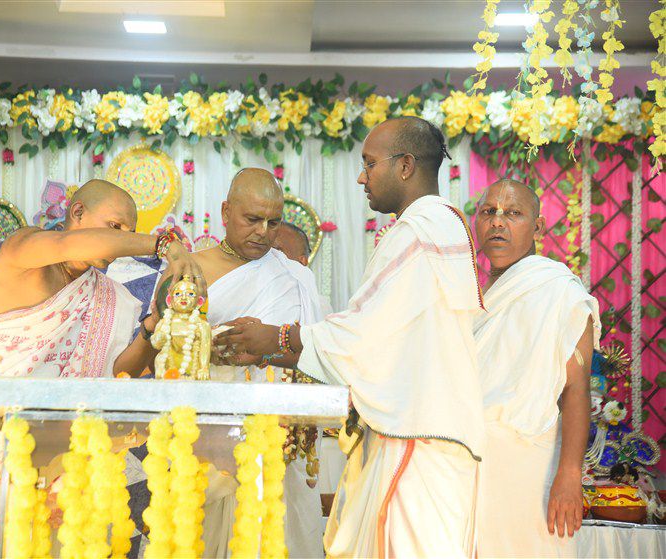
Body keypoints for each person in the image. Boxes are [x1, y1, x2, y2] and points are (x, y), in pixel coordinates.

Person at [215, 117, 486, 558]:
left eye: (369, 163)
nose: (361, 176)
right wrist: (272, 351)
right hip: (425, 435)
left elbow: (361, 338)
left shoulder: (417, 232)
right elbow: (386, 345)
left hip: (418, 438)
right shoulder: (441, 225)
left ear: (405, 166)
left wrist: (274, 339)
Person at [0, 179, 203, 558]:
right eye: (115, 228)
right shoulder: (23, 250)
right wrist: (163, 244)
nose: (121, 241)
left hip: (56, 463)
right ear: (77, 212)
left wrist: (151, 327)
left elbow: (113, 375)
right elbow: (67, 245)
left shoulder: (109, 296)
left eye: (129, 232)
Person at [183, 168, 324, 559]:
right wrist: (213, 346)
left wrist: (272, 344)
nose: (263, 231)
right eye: (252, 219)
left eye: (273, 222)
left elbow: (317, 353)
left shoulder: (295, 276)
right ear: (226, 211)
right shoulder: (192, 269)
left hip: (279, 439)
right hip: (209, 438)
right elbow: (163, 351)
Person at [473, 179, 599, 558]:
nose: (497, 222)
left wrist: (570, 474)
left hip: (531, 466)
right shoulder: (468, 296)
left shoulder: (560, 292)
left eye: (512, 213)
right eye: (488, 212)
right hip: (468, 465)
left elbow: (576, 390)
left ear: (538, 227)